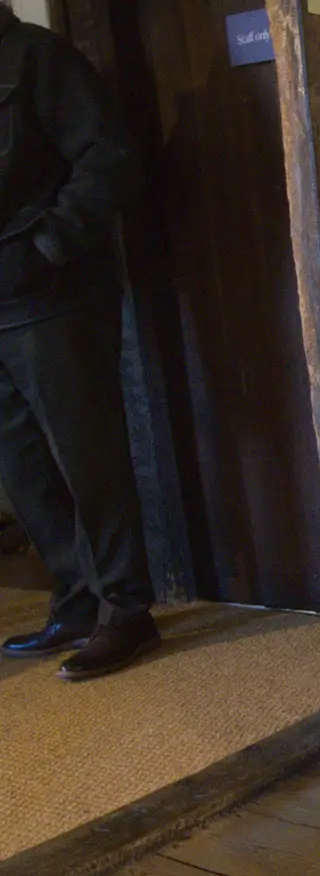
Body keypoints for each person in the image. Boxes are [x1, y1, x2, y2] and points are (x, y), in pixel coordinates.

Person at [0, 7, 154, 681]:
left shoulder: (36, 58)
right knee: (21, 466)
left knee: (87, 451)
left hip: (52, 295)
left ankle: (126, 608)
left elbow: (109, 157)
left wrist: (51, 245)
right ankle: (76, 597)